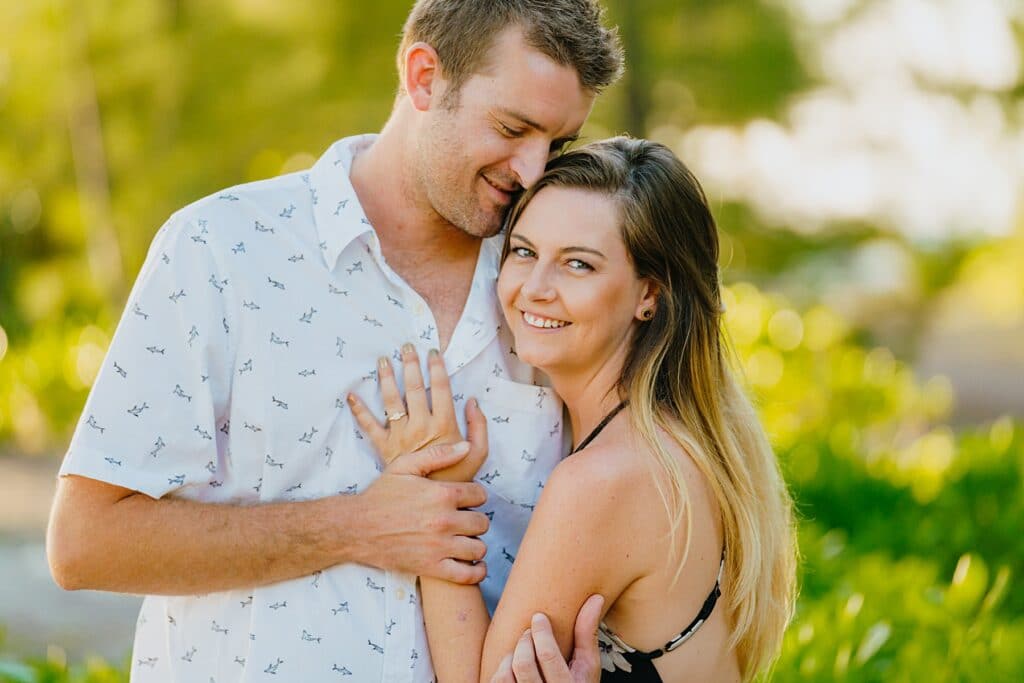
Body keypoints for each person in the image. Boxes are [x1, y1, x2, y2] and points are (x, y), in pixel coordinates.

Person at [45, 1, 623, 680]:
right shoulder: (222, 250)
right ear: (423, 77)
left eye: (556, 145)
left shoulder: (556, 298)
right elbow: (86, 542)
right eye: (512, 128)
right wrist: (358, 526)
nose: (532, 172)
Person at [351, 137, 799, 682]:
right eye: (523, 251)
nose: (535, 288)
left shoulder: (606, 478)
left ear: (649, 295)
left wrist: (437, 492)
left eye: (578, 265)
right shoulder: (683, 441)